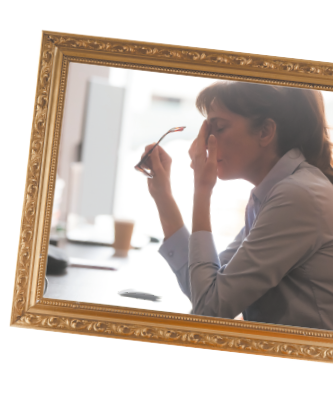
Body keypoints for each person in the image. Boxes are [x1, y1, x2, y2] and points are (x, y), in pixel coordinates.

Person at [140, 81, 333, 330]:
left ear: (265, 131)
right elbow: (204, 288)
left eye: (218, 128)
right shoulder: (274, 192)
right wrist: (163, 197)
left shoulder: (297, 196)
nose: (206, 140)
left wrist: (202, 190)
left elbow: (210, 309)